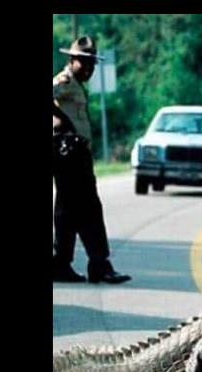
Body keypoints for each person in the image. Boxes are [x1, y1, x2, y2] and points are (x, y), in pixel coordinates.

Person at [53, 36, 130, 284]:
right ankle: (100, 264)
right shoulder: (64, 81)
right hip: (68, 152)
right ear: (71, 60)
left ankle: (61, 263)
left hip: (75, 152)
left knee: (66, 211)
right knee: (89, 208)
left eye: (92, 64)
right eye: (83, 63)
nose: (89, 68)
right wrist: (61, 120)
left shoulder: (75, 83)